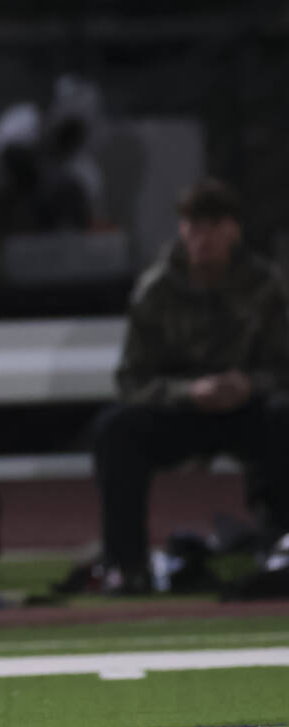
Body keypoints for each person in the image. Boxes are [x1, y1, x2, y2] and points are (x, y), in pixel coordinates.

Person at [93, 177, 289, 593]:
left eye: (212, 226)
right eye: (193, 226)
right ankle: (126, 566)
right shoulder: (157, 290)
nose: (202, 238)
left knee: (283, 420)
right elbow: (132, 380)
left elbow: (283, 366)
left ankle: (281, 551)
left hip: (247, 411)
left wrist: (248, 384)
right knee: (117, 430)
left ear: (233, 230)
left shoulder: (265, 286)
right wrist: (188, 392)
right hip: (180, 413)